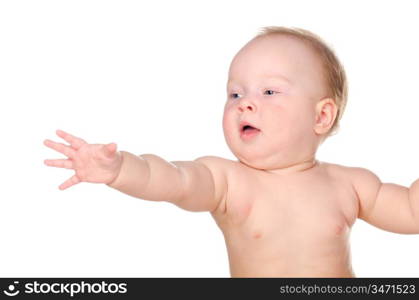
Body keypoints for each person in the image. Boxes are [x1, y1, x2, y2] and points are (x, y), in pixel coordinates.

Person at [43, 26, 419, 277]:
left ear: (321, 116)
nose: (244, 104)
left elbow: (410, 212)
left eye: (269, 92)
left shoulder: (350, 184)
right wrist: (121, 168)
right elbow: (173, 180)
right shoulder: (226, 180)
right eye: (235, 93)